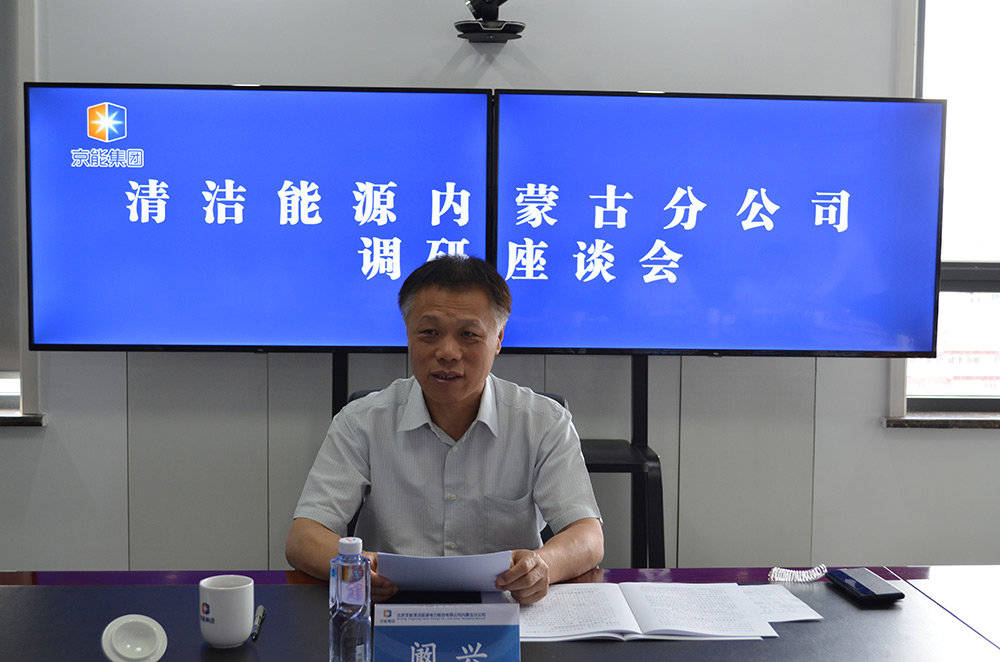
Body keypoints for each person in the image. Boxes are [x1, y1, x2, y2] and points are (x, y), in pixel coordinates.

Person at [285, 254, 603, 604]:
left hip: (506, 609)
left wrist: (542, 566)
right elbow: (304, 537)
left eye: (469, 334)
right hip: (391, 607)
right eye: (429, 333)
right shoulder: (361, 421)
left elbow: (587, 535)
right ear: (408, 335)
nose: (448, 352)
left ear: (498, 338)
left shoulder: (544, 422)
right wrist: (355, 568)